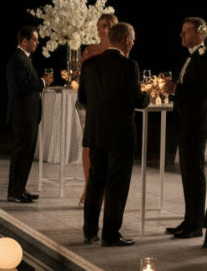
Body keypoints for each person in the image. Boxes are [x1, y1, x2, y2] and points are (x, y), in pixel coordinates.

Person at [78, 22, 150, 246]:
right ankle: (110, 234)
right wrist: (147, 96)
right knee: (117, 185)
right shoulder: (129, 66)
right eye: (133, 41)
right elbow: (136, 100)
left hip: (96, 131)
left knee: (95, 182)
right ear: (126, 41)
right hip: (120, 134)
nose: (133, 45)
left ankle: (90, 231)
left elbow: (82, 99)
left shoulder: (90, 64)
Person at [162, 17, 207, 242]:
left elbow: (201, 93)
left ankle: (196, 224)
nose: (181, 36)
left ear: (200, 33)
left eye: (186, 32)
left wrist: (176, 89)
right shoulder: (192, 57)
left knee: (194, 174)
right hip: (185, 122)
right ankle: (189, 219)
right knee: (188, 174)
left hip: (195, 123)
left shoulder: (204, 56)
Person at [6, 27, 53, 203]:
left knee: (26, 154)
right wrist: (42, 81)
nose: (37, 43)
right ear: (24, 41)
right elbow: (21, 87)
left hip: (29, 116)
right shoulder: (17, 59)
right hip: (22, 116)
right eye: (34, 39)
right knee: (21, 154)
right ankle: (14, 192)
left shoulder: (25, 58)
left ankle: (20, 189)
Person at [77, 13, 119, 205]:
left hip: (109, 106)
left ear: (109, 27)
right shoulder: (90, 50)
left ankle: (104, 190)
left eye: (102, 25)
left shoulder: (119, 50)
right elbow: (82, 79)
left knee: (107, 147)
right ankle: (88, 188)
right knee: (88, 145)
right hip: (88, 104)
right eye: (98, 25)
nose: (98, 29)